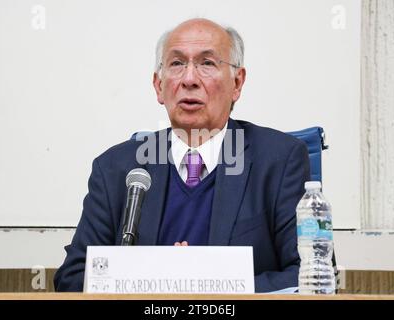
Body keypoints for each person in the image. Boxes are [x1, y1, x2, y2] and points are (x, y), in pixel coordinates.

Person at [54, 18, 310, 292]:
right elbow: (73, 279)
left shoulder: (280, 161)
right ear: (158, 86)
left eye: (207, 63)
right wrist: (162, 280)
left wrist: (207, 285)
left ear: (237, 82)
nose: (189, 79)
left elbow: (311, 275)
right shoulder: (116, 169)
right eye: (176, 64)